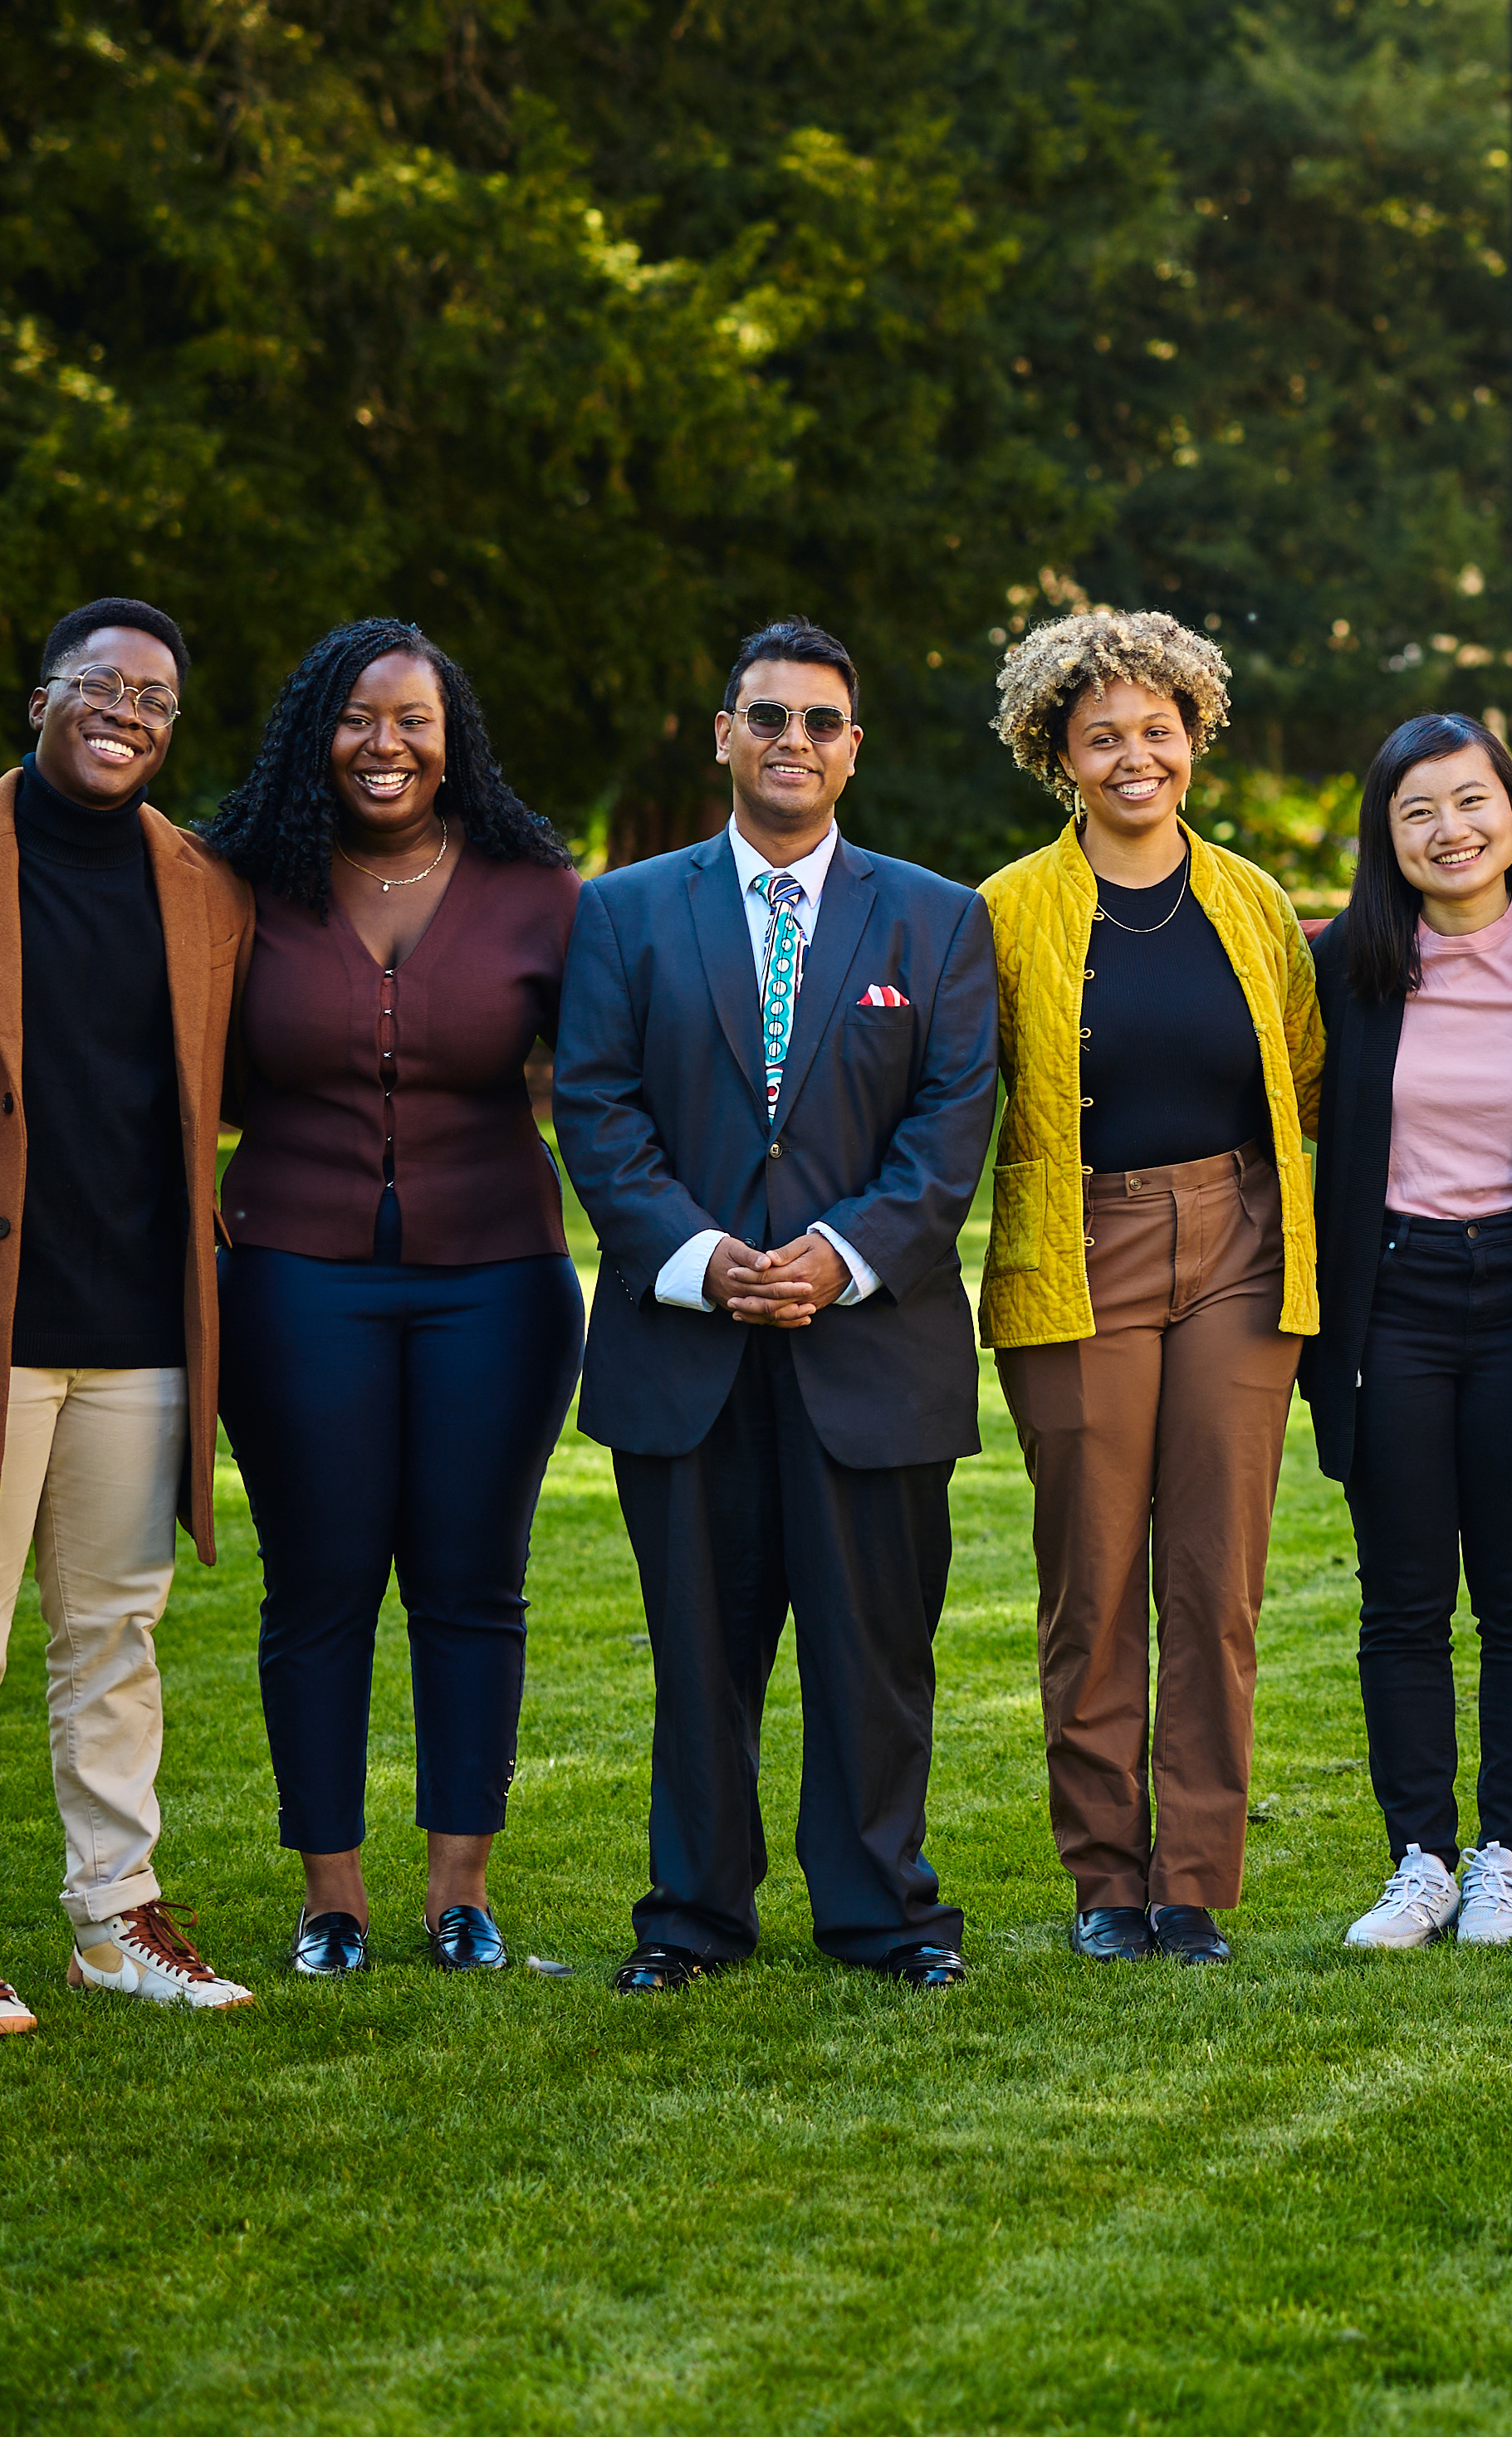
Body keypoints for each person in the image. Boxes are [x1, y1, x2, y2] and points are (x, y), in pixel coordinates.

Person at [557, 619, 996, 1994]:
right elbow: (597, 1103)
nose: (790, 740)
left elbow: (950, 1123)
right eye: (766, 716)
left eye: (818, 720)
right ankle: (690, 1917)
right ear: (722, 734)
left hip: (870, 1344)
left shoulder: (939, 917)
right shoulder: (623, 910)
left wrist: (835, 1254)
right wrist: (697, 1257)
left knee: (874, 1659)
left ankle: (882, 1913)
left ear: (853, 747)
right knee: (697, 1656)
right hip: (686, 1344)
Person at [0, 599, 260, 2031]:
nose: (127, 710)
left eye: (156, 695)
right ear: (40, 700)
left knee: (115, 1634)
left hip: (146, 1319)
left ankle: (113, 1916)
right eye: (100, 682)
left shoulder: (207, 884)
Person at [201, 619, 586, 1978]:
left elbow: (610, 1084)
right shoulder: (240, 885)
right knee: (318, 1584)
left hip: (498, 1282)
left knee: (473, 1586)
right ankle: (332, 1899)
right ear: (319, 731)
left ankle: (460, 1894)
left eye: (413, 718)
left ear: (452, 735)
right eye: (358, 718)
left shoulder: (538, 889)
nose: (386, 744)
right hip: (296, 1279)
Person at [978, 609, 1326, 1966]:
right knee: (1093, 1581)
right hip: (1078, 1257)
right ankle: (1102, 1881)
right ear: (1056, 754)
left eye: (1156, 731)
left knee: (1215, 1579)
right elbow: (962, 1099)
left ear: (1194, 737)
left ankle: (1190, 1883)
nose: (1135, 756)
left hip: (1238, 1245)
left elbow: (1306, 1081)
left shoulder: (1246, 900)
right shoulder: (1006, 911)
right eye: (1101, 736)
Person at [1306, 715, 1512, 1954]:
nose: (1449, 830)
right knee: (1404, 1598)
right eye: (1417, 810)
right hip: (1395, 1300)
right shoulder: (1351, 966)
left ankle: (1507, 1857)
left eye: (1471, 801)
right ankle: (1419, 1858)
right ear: (1387, 835)